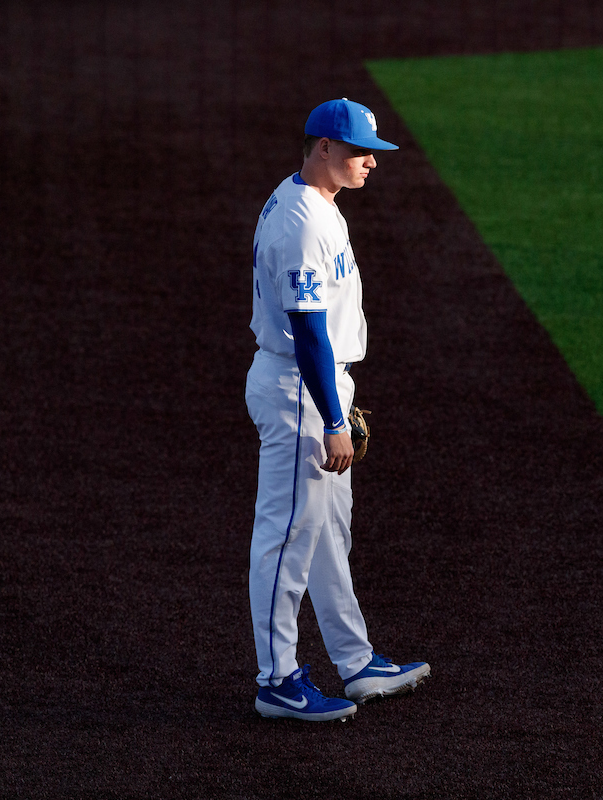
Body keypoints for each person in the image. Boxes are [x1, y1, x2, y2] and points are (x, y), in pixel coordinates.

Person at [245, 98, 429, 722]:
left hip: (319, 385)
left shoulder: (317, 200)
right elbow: (308, 332)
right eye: (357, 151)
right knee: (288, 534)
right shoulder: (302, 222)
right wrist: (331, 419)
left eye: (373, 152)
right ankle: (277, 680)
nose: (370, 162)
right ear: (322, 146)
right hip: (301, 388)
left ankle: (355, 661)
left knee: (328, 534)